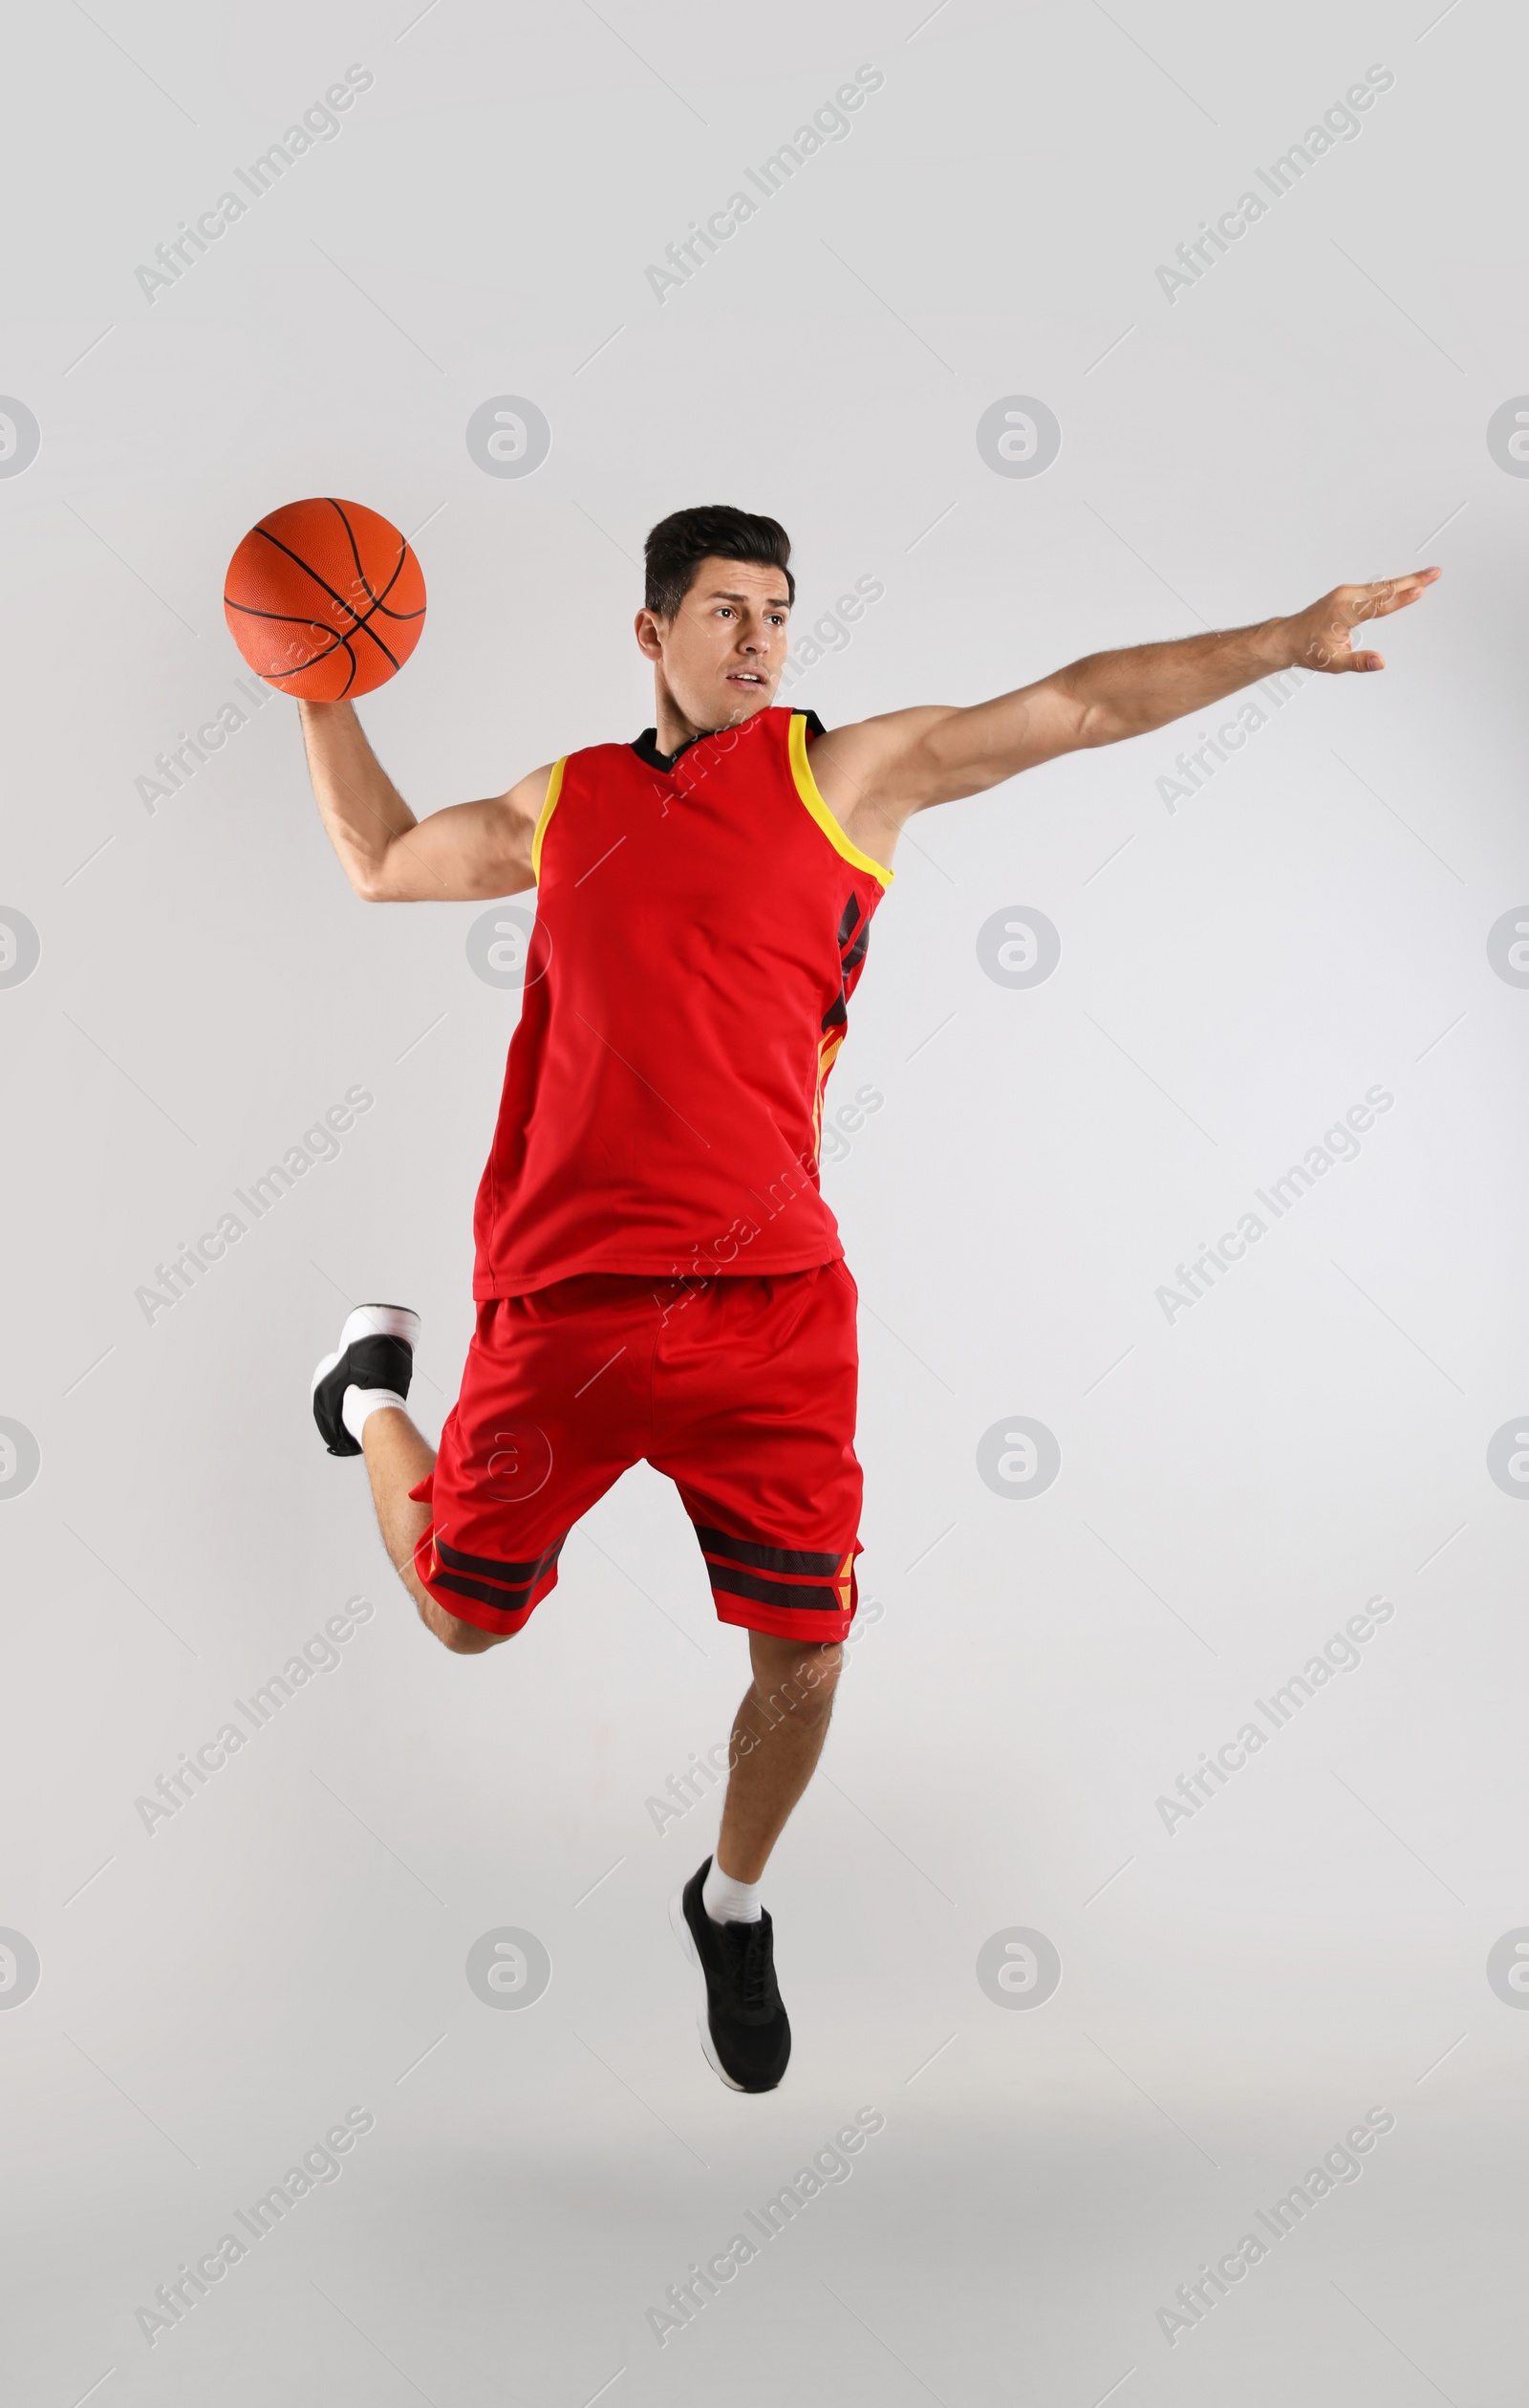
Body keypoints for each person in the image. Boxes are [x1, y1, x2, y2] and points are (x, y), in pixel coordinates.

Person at [301, 504, 1437, 2091]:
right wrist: (317, 684)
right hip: (565, 1300)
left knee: (808, 1652)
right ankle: (366, 1396)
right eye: (721, 611)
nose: (758, 638)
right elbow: (377, 862)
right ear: (652, 634)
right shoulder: (569, 801)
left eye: (776, 610)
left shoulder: (845, 780)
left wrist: (1282, 642)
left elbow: (1081, 702)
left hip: (772, 1308)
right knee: (459, 1619)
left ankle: (732, 1899)